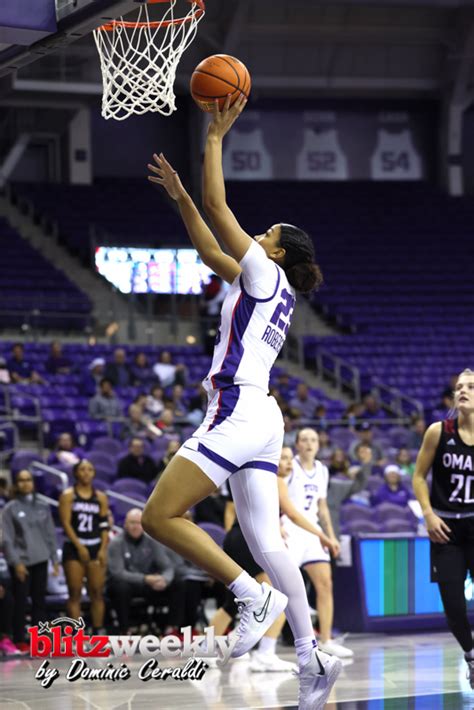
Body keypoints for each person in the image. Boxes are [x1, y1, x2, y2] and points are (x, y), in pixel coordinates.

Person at [144, 93, 340, 708]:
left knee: (159, 517)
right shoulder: (264, 284)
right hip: (264, 415)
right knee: (267, 543)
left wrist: (212, 138)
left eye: (264, 235)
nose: (255, 237)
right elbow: (208, 247)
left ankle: (248, 596)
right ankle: (311, 658)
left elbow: (218, 206)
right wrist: (179, 199)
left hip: (238, 408)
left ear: (276, 252)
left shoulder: (265, 274)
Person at [209, 447, 337, 672]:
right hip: (246, 541)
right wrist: (323, 536)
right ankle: (264, 654)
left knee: (233, 604)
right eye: (284, 459)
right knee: (278, 595)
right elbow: (294, 514)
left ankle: (207, 650)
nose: (289, 463)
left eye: (290, 459)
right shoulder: (274, 480)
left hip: (238, 538)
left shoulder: (260, 476)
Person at [413, 369, 474, 688]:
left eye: (470, 387)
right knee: (453, 605)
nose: (462, 391)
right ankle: (471, 655)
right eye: (459, 387)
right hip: (445, 527)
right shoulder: (439, 431)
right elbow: (419, 476)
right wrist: (427, 513)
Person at [281, 429, 352, 658]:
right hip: (291, 530)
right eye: (304, 440)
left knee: (325, 584)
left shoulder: (322, 470)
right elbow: (276, 497)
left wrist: (330, 536)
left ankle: (326, 639)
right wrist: (276, 524)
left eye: (313, 440)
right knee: (282, 589)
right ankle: (265, 645)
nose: (309, 444)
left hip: (313, 532)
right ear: (297, 444)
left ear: (319, 445)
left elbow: (322, 507)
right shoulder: (289, 466)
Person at [2, 469, 59, 649]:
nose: (25, 483)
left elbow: (50, 533)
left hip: (41, 558)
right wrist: (16, 562)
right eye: (21, 480)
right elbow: (8, 539)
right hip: (22, 562)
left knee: (39, 601)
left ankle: (39, 638)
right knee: (21, 601)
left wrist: (55, 559)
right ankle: (19, 638)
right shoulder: (10, 508)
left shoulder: (42, 505)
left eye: (28, 480)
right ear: (16, 484)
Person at [107, 508, 183, 634]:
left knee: (178, 581)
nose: (136, 527)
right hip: (129, 583)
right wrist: (145, 579)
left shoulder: (152, 541)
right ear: (125, 524)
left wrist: (164, 579)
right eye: (132, 523)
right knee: (120, 587)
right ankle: (125, 630)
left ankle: (172, 628)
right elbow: (118, 573)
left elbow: (167, 566)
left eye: (139, 523)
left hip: (149, 584)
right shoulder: (116, 543)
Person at [59, 459, 109, 633]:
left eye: (90, 469)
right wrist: (80, 547)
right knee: (75, 593)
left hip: (95, 546)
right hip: (74, 547)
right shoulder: (68, 495)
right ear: (76, 473)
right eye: (82, 469)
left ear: (94, 473)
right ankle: (75, 633)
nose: (86, 472)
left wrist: (103, 549)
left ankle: (98, 630)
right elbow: (66, 524)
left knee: (96, 592)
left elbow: (104, 525)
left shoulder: (101, 497)